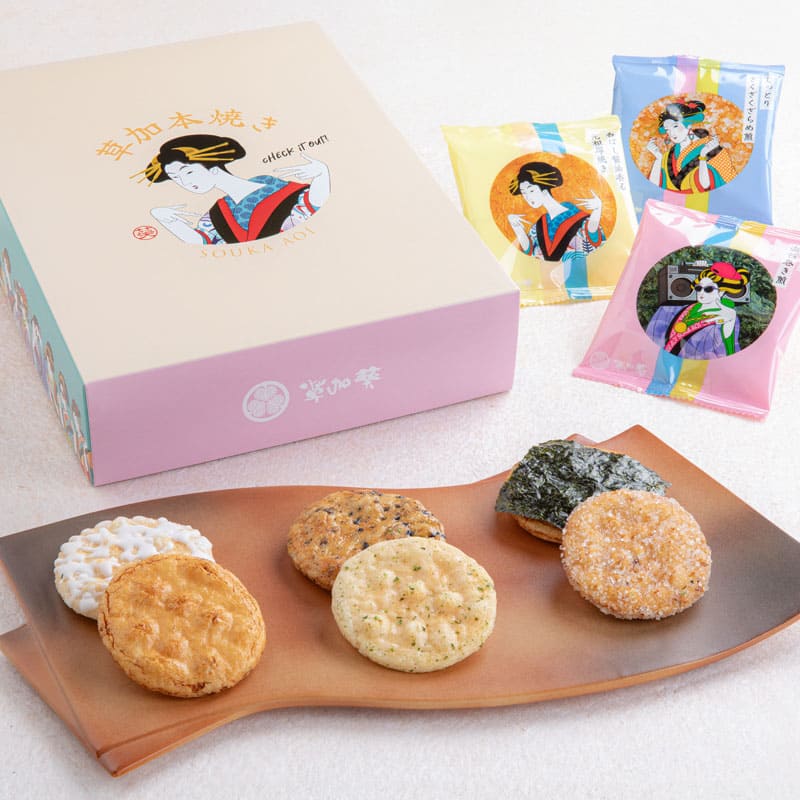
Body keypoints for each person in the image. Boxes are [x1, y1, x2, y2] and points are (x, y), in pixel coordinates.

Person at [133, 134, 330, 244]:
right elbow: (201, 242)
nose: (184, 182)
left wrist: (322, 174)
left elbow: (315, 203)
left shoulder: (280, 190)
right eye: (176, 178)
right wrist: (163, 218)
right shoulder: (218, 214)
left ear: (212, 166)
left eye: (188, 172)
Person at [645, 261, 749, 358]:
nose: (701, 293)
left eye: (708, 289)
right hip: (665, 364)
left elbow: (728, 353)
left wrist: (729, 326)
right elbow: (652, 336)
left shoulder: (729, 316)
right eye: (699, 288)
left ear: (722, 292)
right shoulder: (674, 308)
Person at [506, 161, 605, 263]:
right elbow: (530, 250)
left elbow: (592, 234)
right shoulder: (540, 223)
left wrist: (597, 210)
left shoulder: (578, 216)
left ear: (544, 189)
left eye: (531, 191)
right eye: (524, 193)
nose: (528, 197)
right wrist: (517, 227)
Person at [646, 101, 735, 193]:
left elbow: (707, 186)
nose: (671, 133)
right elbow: (654, 185)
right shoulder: (668, 155)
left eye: (675, 126)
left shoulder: (714, 149)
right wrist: (658, 158)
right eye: (667, 130)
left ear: (688, 125)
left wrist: (703, 156)